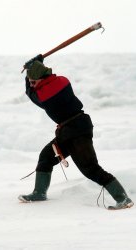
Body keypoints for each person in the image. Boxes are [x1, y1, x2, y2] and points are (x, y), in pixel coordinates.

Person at [18, 55, 134, 210]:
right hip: (71, 129)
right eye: (31, 81)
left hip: (76, 131)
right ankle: (39, 193)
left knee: (90, 168)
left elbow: (30, 93)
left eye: (33, 81)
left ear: (41, 78)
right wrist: (37, 65)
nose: (32, 84)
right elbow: (39, 82)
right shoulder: (63, 81)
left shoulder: (44, 95)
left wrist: (29, 71)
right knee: (46, 157)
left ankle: (123, 198)